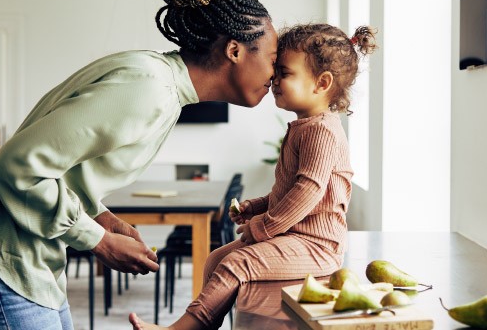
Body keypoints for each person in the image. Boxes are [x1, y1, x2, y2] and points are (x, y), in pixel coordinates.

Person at [0, 0, 279, 330]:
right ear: (235, 50)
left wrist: (101, 218)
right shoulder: (148, 88)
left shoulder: (162, 87)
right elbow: (17, 166)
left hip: (24, 265)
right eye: (272, 60)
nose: (275, 75)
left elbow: (61, 169)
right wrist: (98, 241)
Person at [129, 23, 378, 330]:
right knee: (216, 259)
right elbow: (288, 190)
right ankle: (204, 325)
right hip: (294, 237)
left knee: (237, 264)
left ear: (322, 83)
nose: (273, 79)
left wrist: (264, 227)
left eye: (284, 73)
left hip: (317, 246)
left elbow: (308, 191)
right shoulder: (305, 127)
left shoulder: (321, 131)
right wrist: (257, 206)